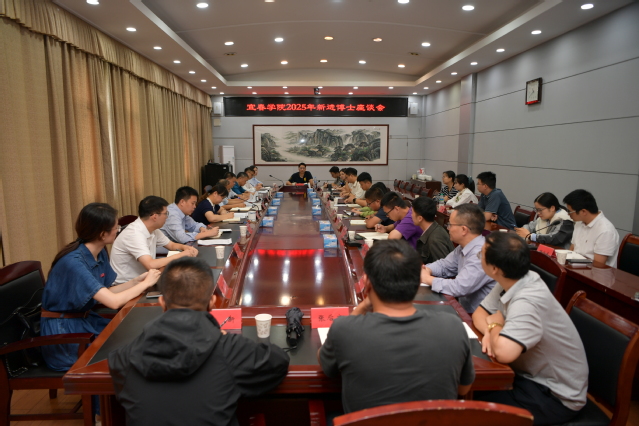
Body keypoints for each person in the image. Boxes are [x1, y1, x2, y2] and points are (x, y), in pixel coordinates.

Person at [108, 257, 290, 426]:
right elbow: (278, 361)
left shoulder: (124, 358)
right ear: (212, 302)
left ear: (162, 302)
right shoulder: (229, 349)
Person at [318, 240, 475, 415]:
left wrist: (360, 308)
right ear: (417, 283)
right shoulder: (452, 327)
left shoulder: (344, 329)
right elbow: (463, 388)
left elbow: (326, 366)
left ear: (367, 283)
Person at [473, 233, 588, 425]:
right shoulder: (513, 278)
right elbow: (479, 314)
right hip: (528, 376)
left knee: (468, 407)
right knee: (466, 388)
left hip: (554, 395)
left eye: (480, 255)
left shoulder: (528, 299)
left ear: (494, 268)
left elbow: (504, 353)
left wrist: (495, 325)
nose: (479, 258)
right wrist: (492, 333)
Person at [41, 203, 161, 372]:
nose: (118, 230)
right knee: (130, 352)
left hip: (84, 320)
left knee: (137, 337)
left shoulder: (99, 252)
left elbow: (105, 292)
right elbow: (113, 302)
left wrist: (136, 281)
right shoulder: (74, 263)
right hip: (66, 333)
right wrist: (146, 284)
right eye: (116, 227)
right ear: (102, 234)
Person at [420, 204, 496, 313]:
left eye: (450, 225)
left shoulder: (481, 254)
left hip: (480, 317)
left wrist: (427, 279)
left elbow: (459, 287)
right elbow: (444, 265)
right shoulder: (463, 247)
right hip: (464, 310)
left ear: (464, 229)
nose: (448, 228)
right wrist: (426, 269)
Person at [110, 196, 198, 284]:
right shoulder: (134, 234)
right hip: (127, 285)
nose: (167, 217)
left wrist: (185, 248)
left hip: (146, 278)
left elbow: (171, 245)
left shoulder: (153, 229)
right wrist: (182, 255)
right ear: (155, 217)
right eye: (166, 213)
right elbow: (150, 264)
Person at [563, 189, 619, 267]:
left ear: (583, 212)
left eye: (569, 211)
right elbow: (572, 249)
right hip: (575, 267)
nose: (568, 214)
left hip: (594, 272)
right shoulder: (579, 222)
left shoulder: (605, 231)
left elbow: (598, 265)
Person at [411, 196, 454, 264]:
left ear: (420, 218)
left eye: (412, 212)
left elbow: (444, 267)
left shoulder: (435, 239)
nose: (411, 215)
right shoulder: (432, 229)